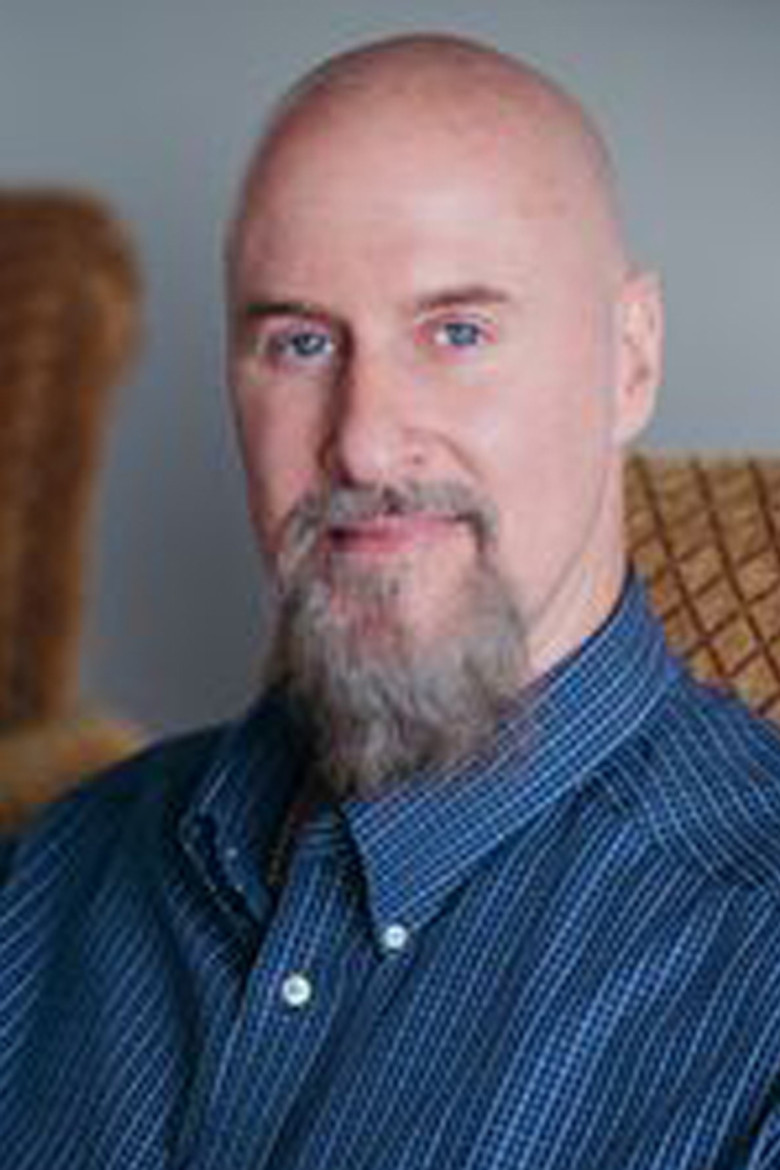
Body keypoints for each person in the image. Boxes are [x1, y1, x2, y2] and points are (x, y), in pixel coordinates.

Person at [3, 32, 780, 1170]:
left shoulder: (757, 974)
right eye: (301, 341)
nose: (362, 439)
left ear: (631, 359)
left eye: (456, 331)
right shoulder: (61, 868)